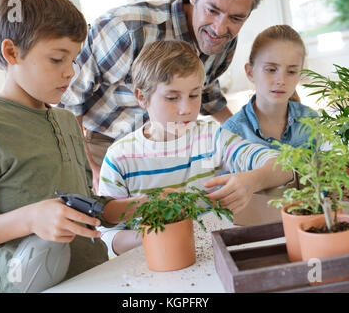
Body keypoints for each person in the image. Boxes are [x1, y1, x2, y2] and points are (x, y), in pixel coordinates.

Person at [0, 0, 145, 293]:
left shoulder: (67, 121)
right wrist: (30, 218)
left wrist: (140, 207)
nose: (70, 71)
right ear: (11, 52)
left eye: (74, 59)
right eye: (56, 58)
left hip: (95, 278)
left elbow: (83, 206)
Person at [97, 40, 294, 257]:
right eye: (172, 97)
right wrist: (158, 234)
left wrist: (252, 180)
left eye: (194, 95)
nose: (186, 109)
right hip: (154, 262)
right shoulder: (120, 157)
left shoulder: (211, 137)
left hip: (213, 256)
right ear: (142, 97)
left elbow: (285, 164)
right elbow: (106, 238)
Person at [60, 0, 267, 193]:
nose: (219, 28)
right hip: (107, 144)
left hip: (174, 143)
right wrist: (90, 168)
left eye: (236, 18)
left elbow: (207, 94)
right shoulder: (125, 30)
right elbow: (69, 101)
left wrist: (251, 137)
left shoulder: (222, 39)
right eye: (212, 10)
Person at [222, 25, 318, 149]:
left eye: (291, 72)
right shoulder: (232, 133)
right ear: (250, 72)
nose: (281, 81)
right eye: (271, 70)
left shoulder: (311, 119)